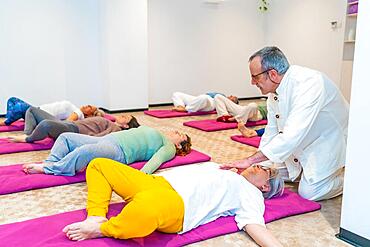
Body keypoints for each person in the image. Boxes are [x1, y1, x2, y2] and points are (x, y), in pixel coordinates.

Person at [223, 46, 349, 201]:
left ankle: (347, 181)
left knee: (309, 193)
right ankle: (305, 172)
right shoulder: (274, 93)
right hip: (300, 142)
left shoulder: (309, 83)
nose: (252, 82)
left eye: (255, 77)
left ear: (273, 74)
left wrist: (250, 160)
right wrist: (257, 162)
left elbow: (291, 135)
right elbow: (271, 132)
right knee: (266, 169)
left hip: (328, 142)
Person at [62, 159, 284, 246]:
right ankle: (96, 215)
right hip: (155, 182)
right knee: (99, 165)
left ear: (265, 186)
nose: (258, 166)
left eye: (265, 170)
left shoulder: (252, 194)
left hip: (176, 203)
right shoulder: (225, 169)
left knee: (145, 211)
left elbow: (255, 225)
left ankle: (103, 228)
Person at [22, 125, 192, 176]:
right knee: (66, 137)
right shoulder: (160, 133)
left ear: (179, 145)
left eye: (179, 135)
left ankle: (49, 169)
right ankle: (51, 161)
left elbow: (156, 161)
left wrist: (140, 177)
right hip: (109, 139)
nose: (174, 131)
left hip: (119, 151)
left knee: (86, 151)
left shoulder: (169, 147)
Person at [9, 107, 139, 143]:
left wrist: (80, 139)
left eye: (126, 118)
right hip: (68, 124)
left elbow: (99, 139)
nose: (123, 115)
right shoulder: (109, 120)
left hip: (73, 130)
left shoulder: (115, 129)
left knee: (45, 124)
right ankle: (27, 133)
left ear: (126, 126)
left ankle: (28, 138)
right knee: (32, 110)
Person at [0, 97, 103, 126]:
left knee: (18, 106)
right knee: (12, 100)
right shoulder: (77, 110)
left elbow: (67, 123)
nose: (87, 105)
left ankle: (7, 122)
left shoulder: (78, 113)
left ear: (89, 114)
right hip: (37, 110)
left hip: (38, 115)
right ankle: (11, 118)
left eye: (90, 107)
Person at [171, 92, 239, 112]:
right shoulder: (223, 95)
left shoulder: (224, 103)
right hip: (198, 99)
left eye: (233, 98)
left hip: (210, 104)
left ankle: (186, 109)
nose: (231, 96)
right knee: (176, 94)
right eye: (232, 95)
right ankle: (180, 106)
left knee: (204, 98)